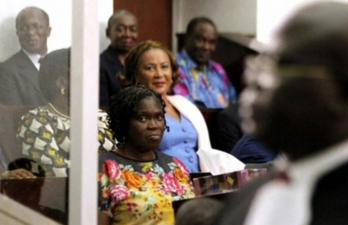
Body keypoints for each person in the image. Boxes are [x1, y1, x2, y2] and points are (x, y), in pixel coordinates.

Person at [214, 2, 348, 225]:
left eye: (278, 67)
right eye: (260, 62)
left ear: (346, 93)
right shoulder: (250, 195)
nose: (254, 80)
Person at [122, 40, 244, 174]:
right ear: (135, 74)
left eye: (164, 66)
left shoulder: (182, 104)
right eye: (150, 68)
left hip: (200, 182)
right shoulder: (131, 110)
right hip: (163, 186)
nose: (159, 74)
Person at [98, 86, 194, 225]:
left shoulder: (176, 166)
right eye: (142, 118)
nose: (153, 125)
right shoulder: (103, 168)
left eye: (159, 117)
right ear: (123, 123)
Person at [16, 48, 115, 177]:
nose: (92, 81)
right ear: (62, 83)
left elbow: (122, 160)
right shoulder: (37, 121)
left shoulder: (100, 116)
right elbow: (55, 171)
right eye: (83, 75)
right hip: (62, 194)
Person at [174, 17, 236, 109]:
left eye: (212, 42)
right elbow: (184, 110)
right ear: (187, 38)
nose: (206, 47)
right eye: (200, 40)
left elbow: (233, 102)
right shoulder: (174, 66)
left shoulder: (218, 70)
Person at [0, 6, 51, 107]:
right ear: (17, 33)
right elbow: (12, 117)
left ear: (48, 31)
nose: (30, 33)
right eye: (24, 28)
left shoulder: (62, 63)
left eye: (36, 26)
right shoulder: (6, 71)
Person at [100, 10, 139, 109]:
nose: (127, 34)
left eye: (133, 29)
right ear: (108, 33)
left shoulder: (142, 61)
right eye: (120, 29)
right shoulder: (100, 64)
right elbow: (102, 108)